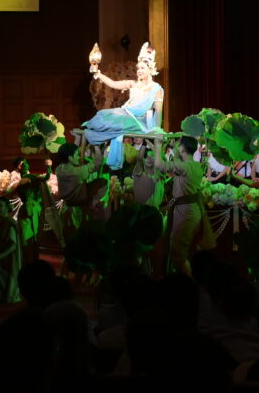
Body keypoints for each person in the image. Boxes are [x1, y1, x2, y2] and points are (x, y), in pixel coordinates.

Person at [84, 43, 164, 170]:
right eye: (138, 68)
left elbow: (158, 111)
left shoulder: (156, 89)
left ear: (150, 69)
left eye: (142, 68)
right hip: (125, 113)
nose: (139, 71)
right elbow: (113, 84)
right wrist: (99, 74)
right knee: (102, 114)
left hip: (138, 121)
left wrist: (157, 129)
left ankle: (93, 135)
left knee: (115, 119)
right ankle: (91, 134)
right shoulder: (133, 84)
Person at [153, 135, 217, 274]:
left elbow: (159, 165)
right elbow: (175, 162)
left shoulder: (186, 167)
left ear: (182, 148)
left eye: (178, 145)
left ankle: (189, 287)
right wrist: (170, 148)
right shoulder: (193, 165)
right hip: (189, 209)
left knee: (178, 254)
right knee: (187, 249)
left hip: (185, 211)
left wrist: (158, 145)